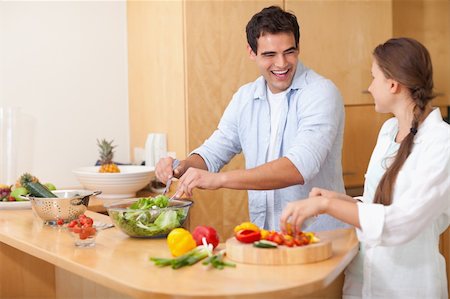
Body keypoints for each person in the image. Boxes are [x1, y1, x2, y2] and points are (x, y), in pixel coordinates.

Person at [280, 37, 450, 298]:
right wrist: (342, 200)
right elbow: (378, 205)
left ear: (393, 84)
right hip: (363, 283)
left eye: (373, 78)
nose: (369, 88)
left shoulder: (441, 142)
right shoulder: (389, 131)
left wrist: (327, 206)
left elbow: (401, 222)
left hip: (408, 287)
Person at [155, 6, 347, 231]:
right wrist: (181, 167)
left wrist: (220, 180)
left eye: (289, 52)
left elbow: (299, 167)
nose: (282, 63)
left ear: (299, 48)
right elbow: (214, 152)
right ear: (251, 52)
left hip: (320, 238)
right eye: (269, 55)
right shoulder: (245, 97)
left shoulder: (320, 92)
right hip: (266, 236)